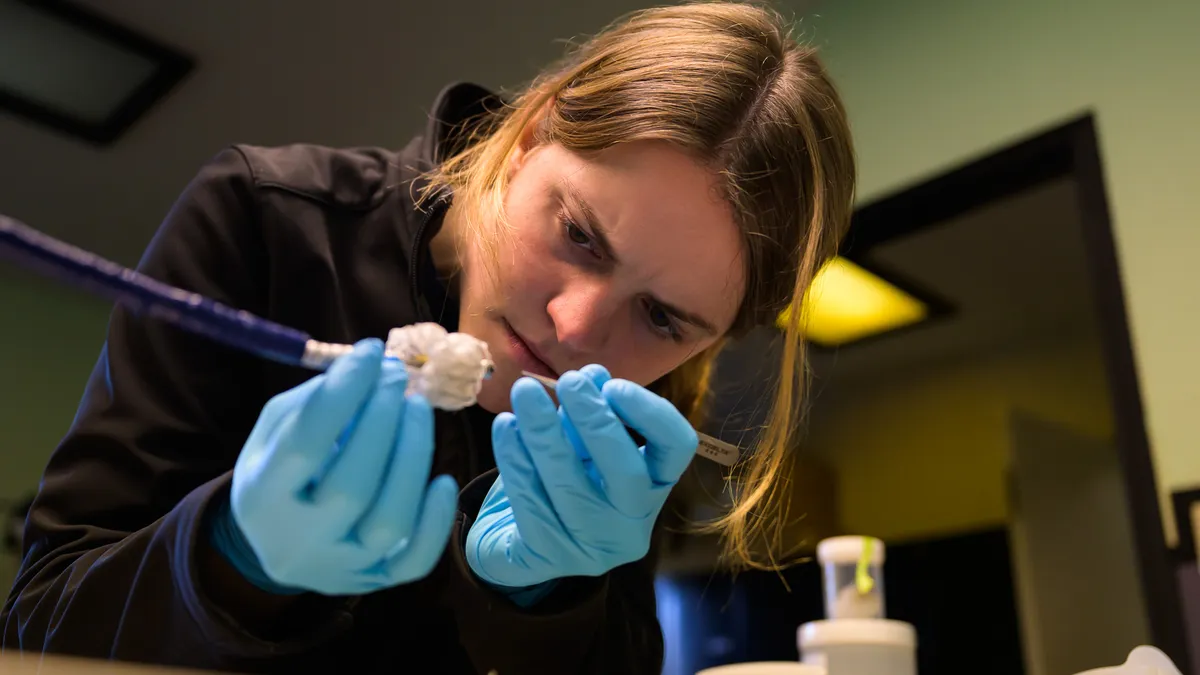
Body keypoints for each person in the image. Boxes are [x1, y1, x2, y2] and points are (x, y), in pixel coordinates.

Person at [1, 2, 856, 673]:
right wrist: (229, 558)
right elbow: (40, 624)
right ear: (527, 141)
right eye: (581, 236)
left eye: (662, 316)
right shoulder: (263, 220)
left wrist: (553, 600)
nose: (575, 327)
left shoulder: (635, 410)